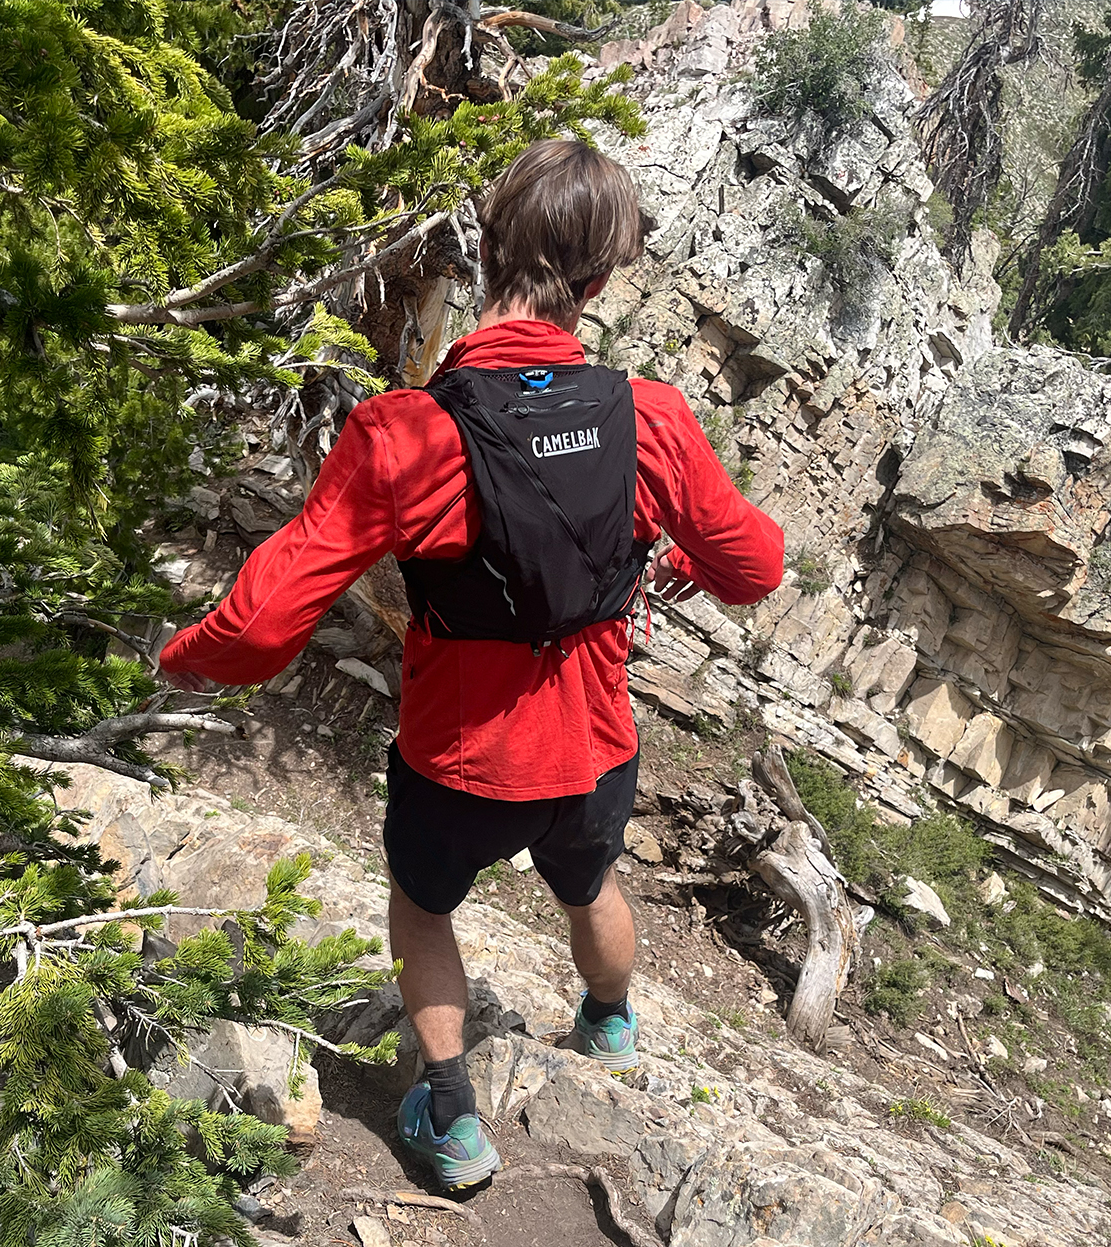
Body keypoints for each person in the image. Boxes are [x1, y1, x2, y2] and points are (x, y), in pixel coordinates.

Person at [157, 138, 784, 1190]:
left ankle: (450, 1118)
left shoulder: (406, 433)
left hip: (459, 758)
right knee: (588, 883)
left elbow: (270, 612)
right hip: (591, 748)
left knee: (421, 901)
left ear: (488, 249)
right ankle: (609, 1024)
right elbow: (754, 564)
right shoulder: (652, 420)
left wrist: (186, 660)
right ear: (595, 281)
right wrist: (675, 554)